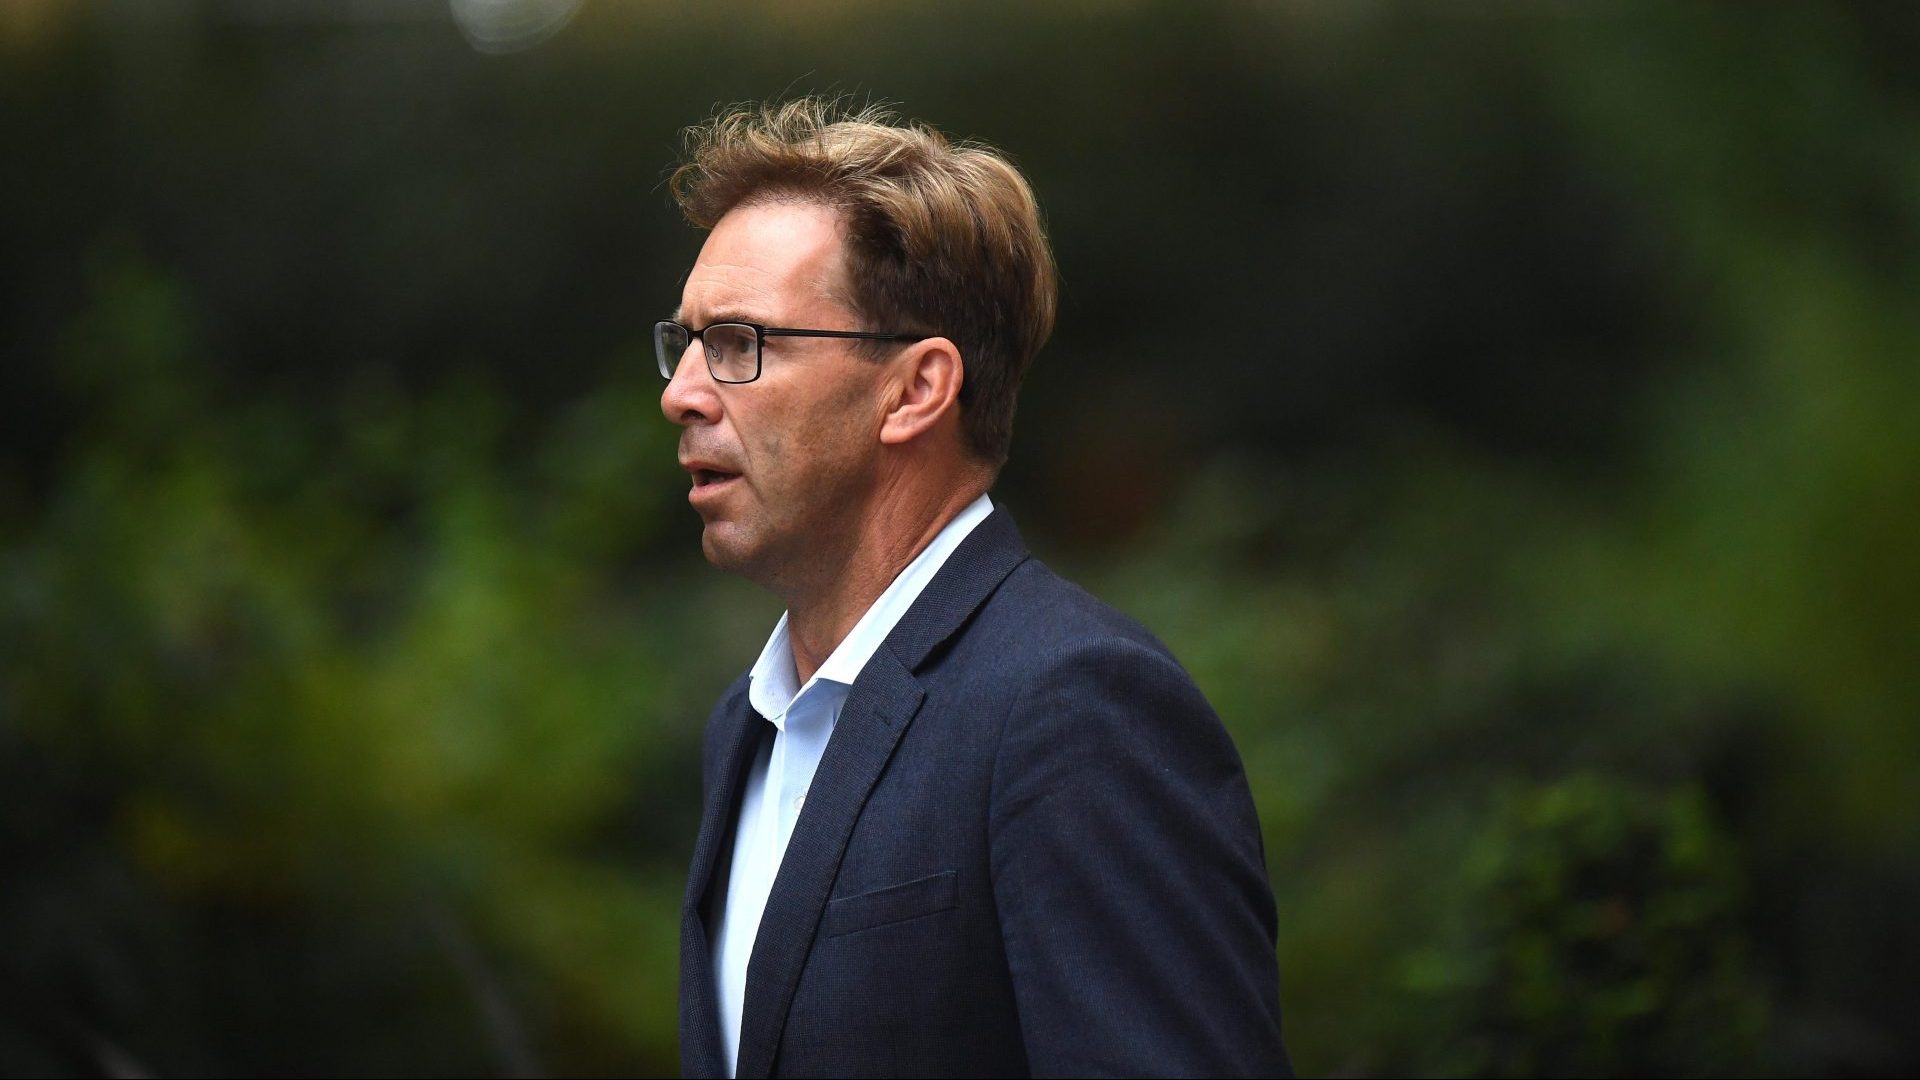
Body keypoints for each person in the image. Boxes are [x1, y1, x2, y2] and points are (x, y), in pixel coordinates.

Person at [659, 97, 1291, 1079]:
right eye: (687, 341)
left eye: (741, 342)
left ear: (915, 390)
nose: (683, 391)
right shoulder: (741, 732)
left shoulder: (1075, 708)